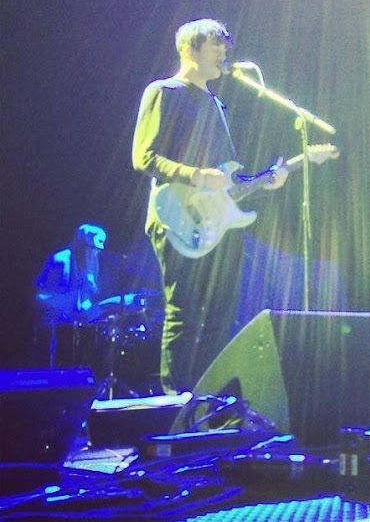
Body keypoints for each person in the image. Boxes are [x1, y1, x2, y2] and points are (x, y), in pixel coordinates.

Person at [132, 19, 287, 393]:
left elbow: (227, 182)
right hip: (176, 213)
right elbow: (143, 156)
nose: (223, 53)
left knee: (221, 313)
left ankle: (211, 399)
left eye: (224, 47)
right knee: (183, 310)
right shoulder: (165, 91)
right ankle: (176, 401)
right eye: (216, 46)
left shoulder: (216, 104)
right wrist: (197, 175)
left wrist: (266, 181)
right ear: (190, 49)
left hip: (214, 221)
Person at [34, 223, 108, 366]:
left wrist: (98, 312)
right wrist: (67, 306)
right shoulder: (61, 260)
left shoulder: (91, 265)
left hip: (75, 326)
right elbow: (41, 296)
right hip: (53, 329)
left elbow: (85, 300)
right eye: (95, 247)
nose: (99, 251)